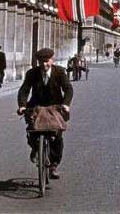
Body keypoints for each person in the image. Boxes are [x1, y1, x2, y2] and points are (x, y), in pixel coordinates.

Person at [17, 48, 73, 179]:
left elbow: (68, 89)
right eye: (41, 62)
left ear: (52, 60)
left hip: (56, 107)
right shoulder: (32, 73)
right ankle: (36, 149)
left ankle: (53, 165)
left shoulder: (59, 72)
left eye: (47, 61)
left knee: (57, 137)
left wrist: (66, 104)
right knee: (32, 131)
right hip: (36, 107)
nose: (44, 64)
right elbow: (24, 90)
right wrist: (22, 106)